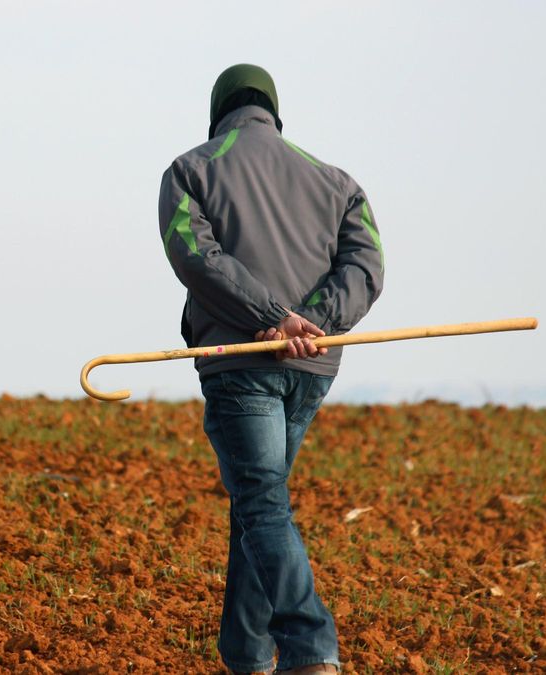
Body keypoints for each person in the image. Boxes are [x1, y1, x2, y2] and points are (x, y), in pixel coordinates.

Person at [158, 64, 384, 674]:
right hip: (313, 366)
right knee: (259, 502)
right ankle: (247, 656)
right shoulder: (339, 182)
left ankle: (310, 649)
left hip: (242, 361)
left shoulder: (189, 170)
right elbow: (367, 267)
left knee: (259, 502)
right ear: (273, 111)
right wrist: (313, 322)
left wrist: (273, 319)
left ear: (219, 110)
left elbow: (196, 257)